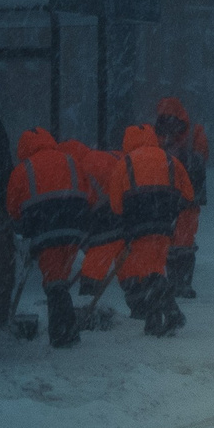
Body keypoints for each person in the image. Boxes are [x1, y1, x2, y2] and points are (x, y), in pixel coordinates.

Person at [3, 129, 89, 348]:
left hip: (45, 229)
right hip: (74, 229)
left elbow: (12, 208)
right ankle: (66, 333)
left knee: (54, 283)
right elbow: (86, 190)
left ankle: (64, 334)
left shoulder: (22, 170)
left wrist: (24, 226)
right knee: (60, 279)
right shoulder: (70, 160)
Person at [116, 123, 196, 337]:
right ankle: (153, 322)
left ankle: (172, 313)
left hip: (139, 226)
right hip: (164, 226)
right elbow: (188, 194)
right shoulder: (170, 160)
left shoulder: (125, 163)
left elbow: (115, 203)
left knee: (149, 273)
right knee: (155, 270)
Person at [152, 96, 211, 300]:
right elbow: (202, 156)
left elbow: (200, 157)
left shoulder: (166, 134)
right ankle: (180, 283)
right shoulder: (194, 131)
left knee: (177, 241)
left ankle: (178, 283)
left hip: (176, 194)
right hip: (184, 194)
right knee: (180, 241)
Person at [67, 137, 128, 322]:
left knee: (95, 262)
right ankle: (140, 299)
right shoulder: (109, 156)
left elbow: (83, 203)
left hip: (105, 219)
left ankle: (86, 302)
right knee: (128, 262)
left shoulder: (79, 170)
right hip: (127, 213)